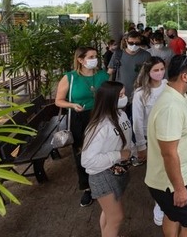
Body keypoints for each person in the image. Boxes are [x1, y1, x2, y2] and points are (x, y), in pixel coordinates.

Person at [145, 55, 187, 237]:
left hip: (175, 178)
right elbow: (169, 154)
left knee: (172, 215)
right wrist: (179, 189)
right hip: (174, 182)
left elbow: (175, 131)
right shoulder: (171, 107)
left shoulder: (177, 96)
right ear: (185, 77)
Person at [55, 46, 110, 207]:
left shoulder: (102, 75)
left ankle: (104, 180)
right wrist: (72, 105)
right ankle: (87, 187)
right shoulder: (70, 78)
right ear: (80, 60)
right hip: (79, 118)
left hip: (100, 116)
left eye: (95, 56)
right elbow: (59, 100)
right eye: (91, 56)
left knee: (103, 149)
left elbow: (110, 94)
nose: (95, 59)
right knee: (82, 153)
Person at [81, 81, 133, 237]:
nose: (125, 98)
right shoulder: (99, 126)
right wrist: (118, 155)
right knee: (116, 218)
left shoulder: (121, 114)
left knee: (109, 214)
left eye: (125, 94)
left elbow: (126, 139)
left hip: (118, 171)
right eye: (121, 95)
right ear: (110, 99)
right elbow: (87, 160)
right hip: (102, 175)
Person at [132, 56, 168, 226]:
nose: (160, 73)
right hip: (151, 138)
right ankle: (159, 204)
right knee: (156, 172)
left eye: (162, 69)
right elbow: (137, 121)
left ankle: (168, 199)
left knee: (170, 169)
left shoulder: (168, 86)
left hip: (169, 135)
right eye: (156, 70)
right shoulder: (140, 94)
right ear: (148, 72)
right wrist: (141, 145)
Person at [108, 30, 152, 111]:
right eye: (131, 43)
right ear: (126, 41)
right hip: (121, 94)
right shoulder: (118, 54)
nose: (134, 45)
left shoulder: (146, 55)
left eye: (137, 43)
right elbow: (110, 72)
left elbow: (149, 75)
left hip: (139, 94)